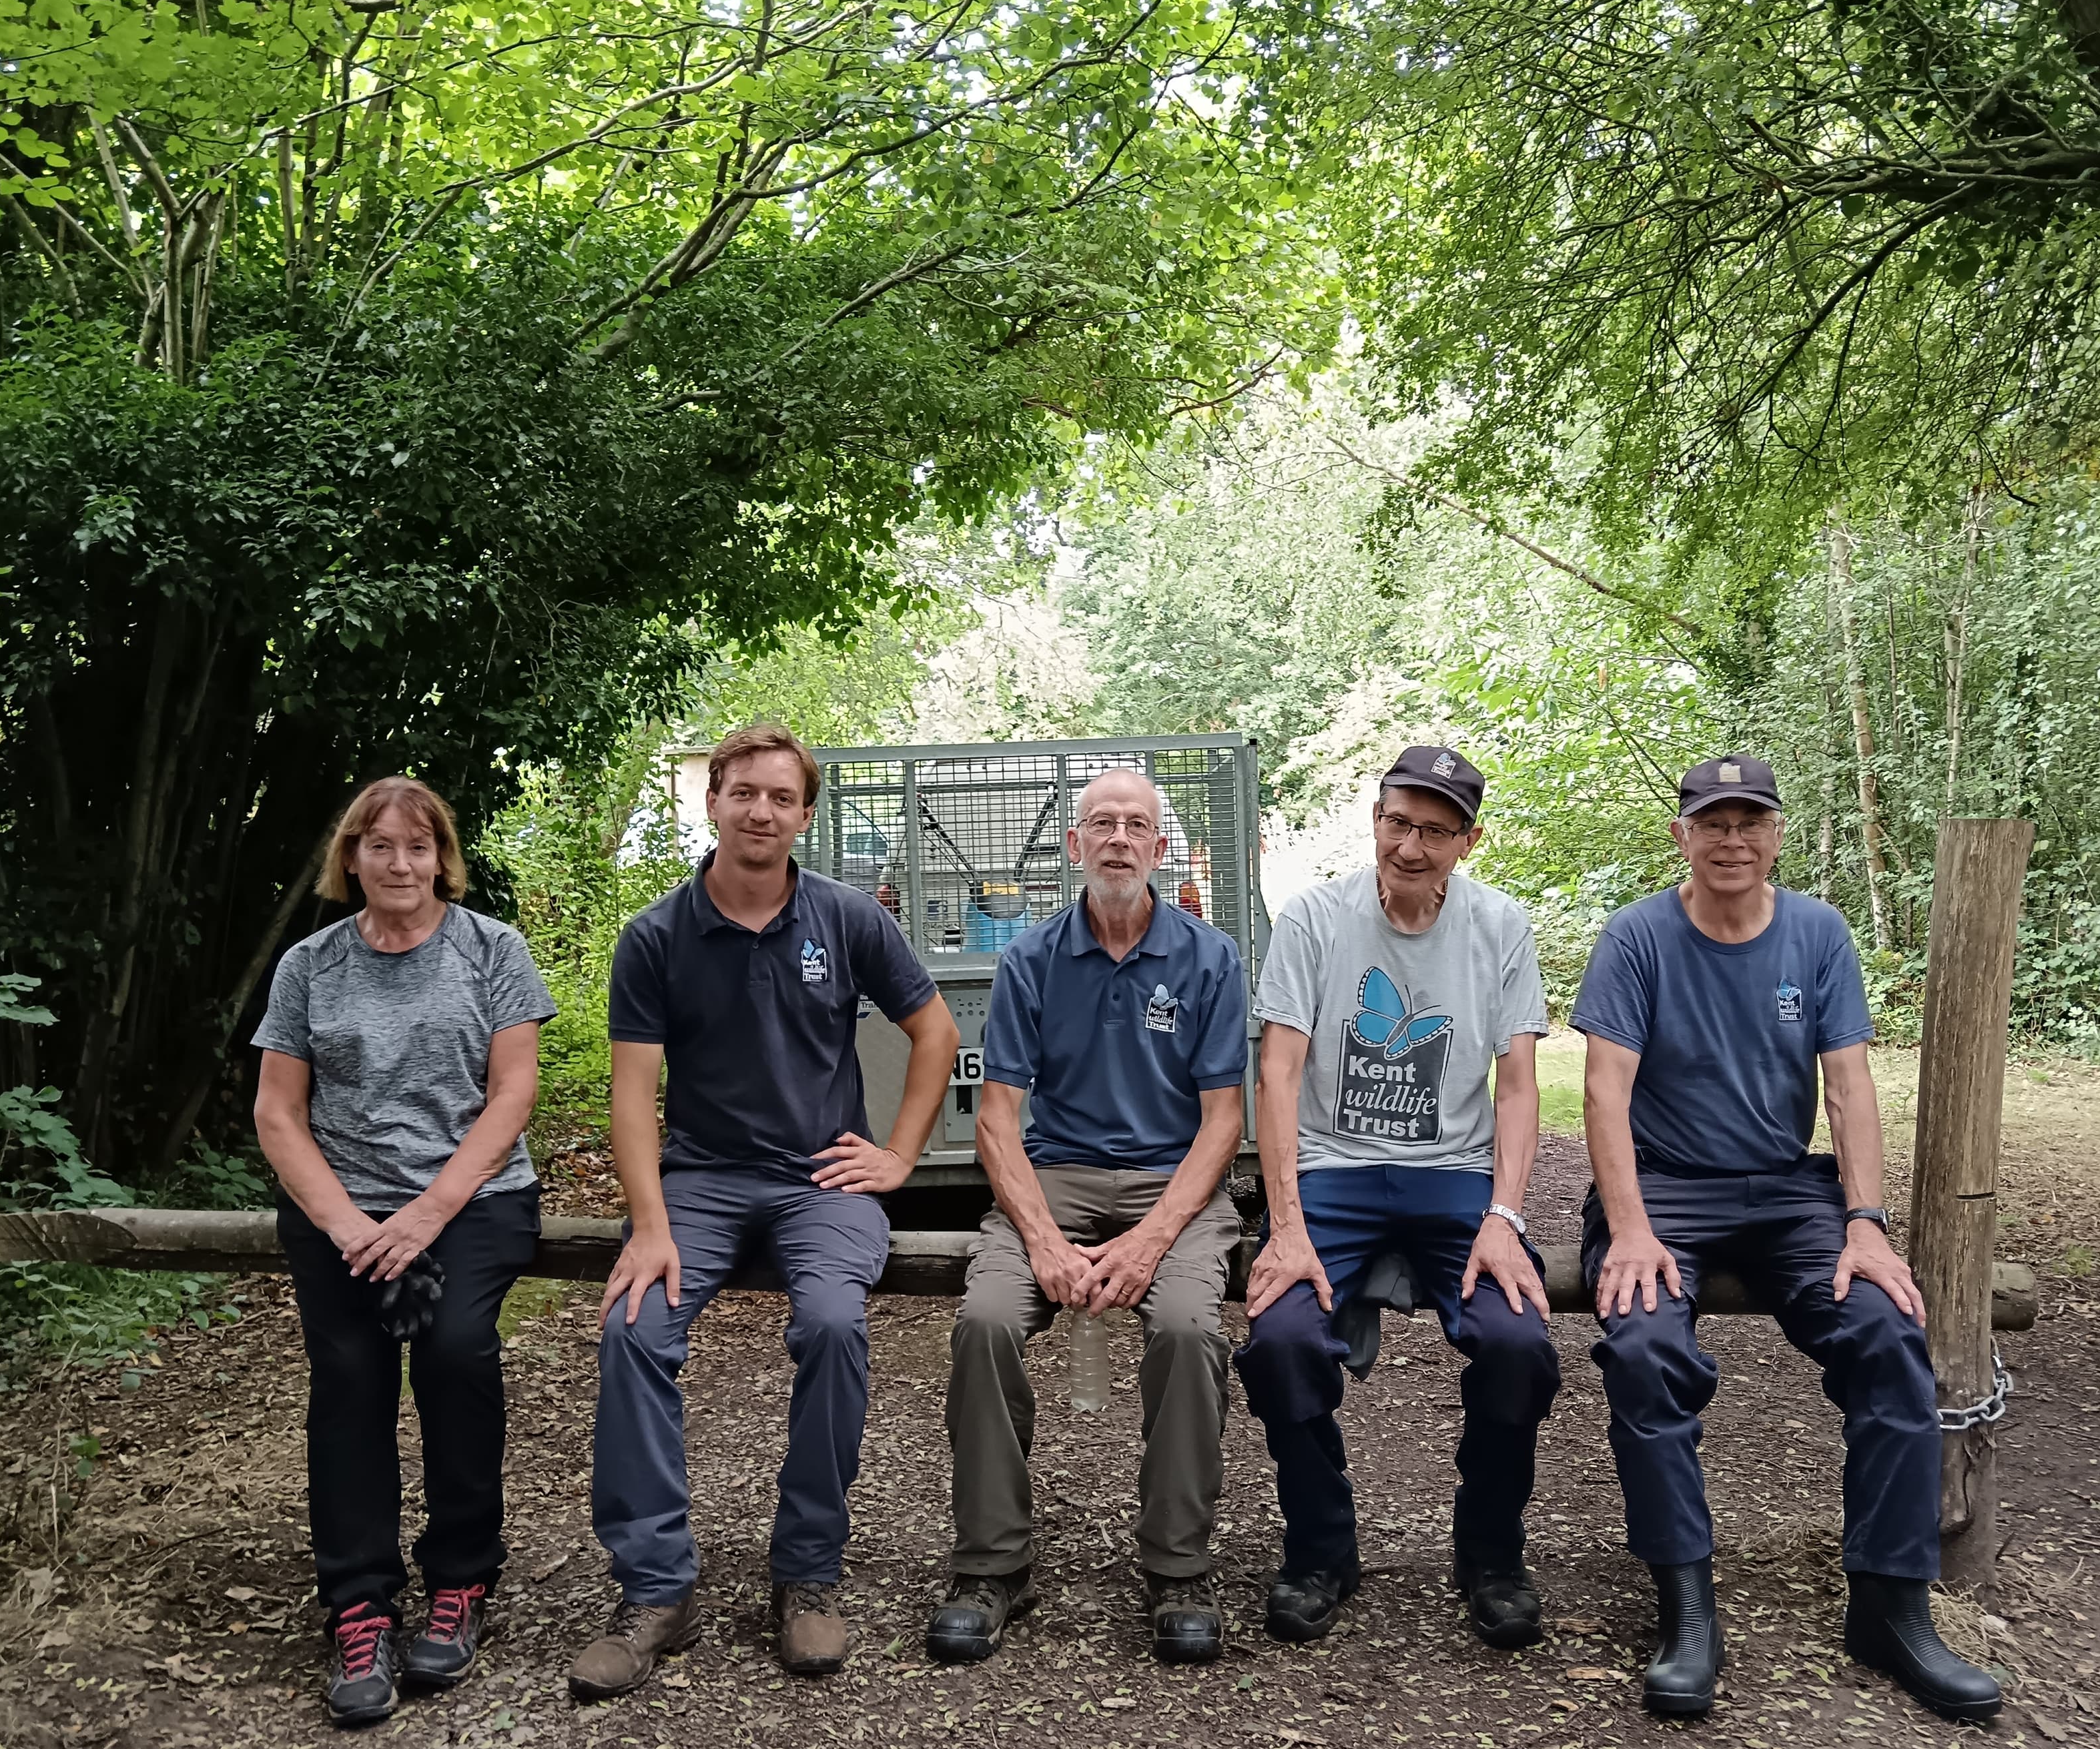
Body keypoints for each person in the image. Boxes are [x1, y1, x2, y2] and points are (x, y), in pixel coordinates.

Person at [1573, 753, 2002, 1722]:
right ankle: (1687, 1609)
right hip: (1663, 1187)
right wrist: (1630, 1227)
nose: (1732, 841)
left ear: (1776, 835)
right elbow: (1604, 1090)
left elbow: (1848, 1088)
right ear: (1682, 835)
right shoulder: (1637, 936)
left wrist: (1866, 1224)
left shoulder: (1818, 934)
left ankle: (1891, 1607)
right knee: (1644, 1348)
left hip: (1784, 1191)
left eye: (1750, 823)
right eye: (1712, 824)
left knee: (1887, 1331)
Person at [569, 724, 960, 1699]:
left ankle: (807, 1573)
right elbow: (630, 1097)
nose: (761, 812)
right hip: (698, 1182)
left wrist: (899, 1155)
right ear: (713, 802)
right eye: (744, 792)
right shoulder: (657, 936)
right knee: (633, 1326)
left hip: (819, 1179)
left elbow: (936, 1030)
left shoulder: (846, 918)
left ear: (804, 816)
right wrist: (650, 1225)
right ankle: (658, 1590)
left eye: (782, 799)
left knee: (832, 1322)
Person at [252, 776, 557, 1727]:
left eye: (418, 847)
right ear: (352, 858)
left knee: (458, 1351)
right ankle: (358, 1606)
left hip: (472, 1202)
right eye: (379, 846)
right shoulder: (309, 966)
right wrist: (348, 1225)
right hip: (342, 1208)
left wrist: (426, 1216)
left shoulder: (491, 950)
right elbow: (276, 1112)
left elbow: (511, 1095)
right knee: (349, 1381)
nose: (399, 864)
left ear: (443, 858)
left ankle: (461, 1583)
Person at [1238, 747, 1559, 1648]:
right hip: (1332, 1174)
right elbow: (1280, 1067)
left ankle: (1490, 1550)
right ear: (1375, 819)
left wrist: (1505, 1217)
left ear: (1469, 839)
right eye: (1395, 822)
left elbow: (1521, 1087)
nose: (1409, 847)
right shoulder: (1314, 919)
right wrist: (1287, 1224)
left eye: (1433, 830)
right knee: (1282, 1341)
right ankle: (1319, 1548)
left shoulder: (1500, 927)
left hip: (1456, 1177)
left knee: (1518, 1343)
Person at [927, 767, 1249, 1666]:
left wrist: (1151, 1240)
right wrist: (1042, 1240)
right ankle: (993, 1568)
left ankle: (1177, 1567)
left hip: (1170, 1183)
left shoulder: (1208, 958)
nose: (1118, 838)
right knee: (986, 1320)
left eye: (1136, 825)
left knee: (1188, 1327)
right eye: (1101, 824)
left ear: (1158, 848)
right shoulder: (1031, 958)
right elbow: (997, 1120)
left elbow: (1223, 1122)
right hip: (1057, 1176)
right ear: (1075, 847)